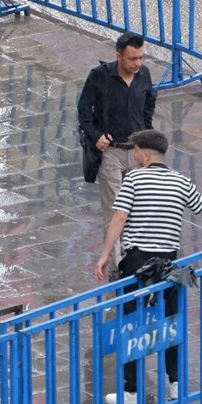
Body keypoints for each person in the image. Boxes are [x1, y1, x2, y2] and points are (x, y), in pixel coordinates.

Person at [92, 129, 202, 404]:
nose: (134, 155)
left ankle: (132, 391)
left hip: (137, 262)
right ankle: (175, 385)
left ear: (146, 154)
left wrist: (105, 254)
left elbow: (119, 217)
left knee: (132, 324)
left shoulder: (134, 179)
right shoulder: (181, 181)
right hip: (168, 263)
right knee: (169, 323)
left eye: (136, 151)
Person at [78, 32, 157, 278]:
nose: (138, 64)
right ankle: (116, 268)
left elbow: (148, 107)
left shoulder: (143, 76)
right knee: (114, 213)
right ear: (118, 55)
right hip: (110, 154)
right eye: (133, 58)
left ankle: (136, 260)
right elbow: (83, 111)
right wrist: (96, 135)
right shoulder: (99, 77)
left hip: (135, 154)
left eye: (141, 58)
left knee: (138, 210)